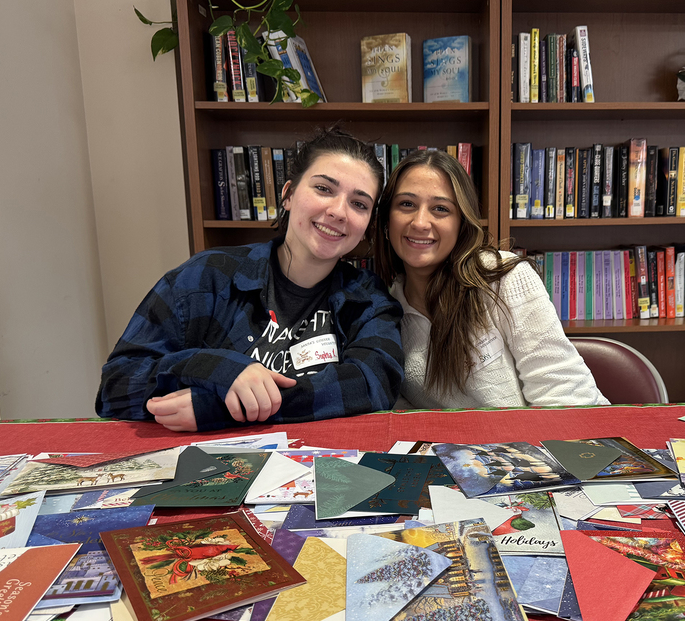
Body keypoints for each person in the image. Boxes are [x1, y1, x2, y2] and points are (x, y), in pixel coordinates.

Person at [96, 127, 404, 431]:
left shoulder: (368, 298)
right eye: (323, 189)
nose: (339, 211)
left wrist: (220, 408)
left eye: (359, 204)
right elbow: (116, 388)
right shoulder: (206, 277)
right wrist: (214, 368)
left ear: (367, 225)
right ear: (288, 195)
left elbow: (373, 383)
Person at [371, 149, 608, 409]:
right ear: (386, 220)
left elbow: (565, 394)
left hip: (542, 444)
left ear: (462, 223)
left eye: (440, 208)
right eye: (407, 204)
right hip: (451, 449)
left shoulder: (503, 276)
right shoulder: (382, 316)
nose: (420, 222)